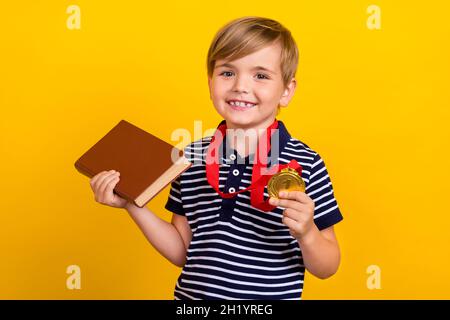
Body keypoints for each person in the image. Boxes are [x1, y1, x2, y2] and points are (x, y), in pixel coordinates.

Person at [89, 16, 344, 300]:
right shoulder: (190, 158)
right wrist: (133, 204)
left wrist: (307, 233)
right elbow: (183, 251)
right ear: (210, 82)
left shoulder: (306, 162)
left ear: (286, 91)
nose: (240, 86)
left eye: (260, 75)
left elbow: (327, 266)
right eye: (227, 72)